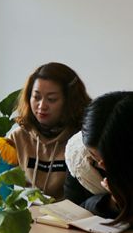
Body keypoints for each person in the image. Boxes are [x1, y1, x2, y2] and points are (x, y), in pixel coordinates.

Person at [9, 62, 91, 199]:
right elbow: (4, 189)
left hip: (68, 212)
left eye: (51, 99)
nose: (42, 106)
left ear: (69, 101)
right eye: (36, 97)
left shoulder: (82, 140)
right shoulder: (17, 138)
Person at [79, 91, 133, 223]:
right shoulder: (79, 156)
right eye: (95, 157)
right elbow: (75, 209)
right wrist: (113, 200)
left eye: (110, 160)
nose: (101, 164)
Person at [63, 131, 110, 216]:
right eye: (94, 156)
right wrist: (109, 201)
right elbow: (71, 208)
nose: (101, 164)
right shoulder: (77, 154)